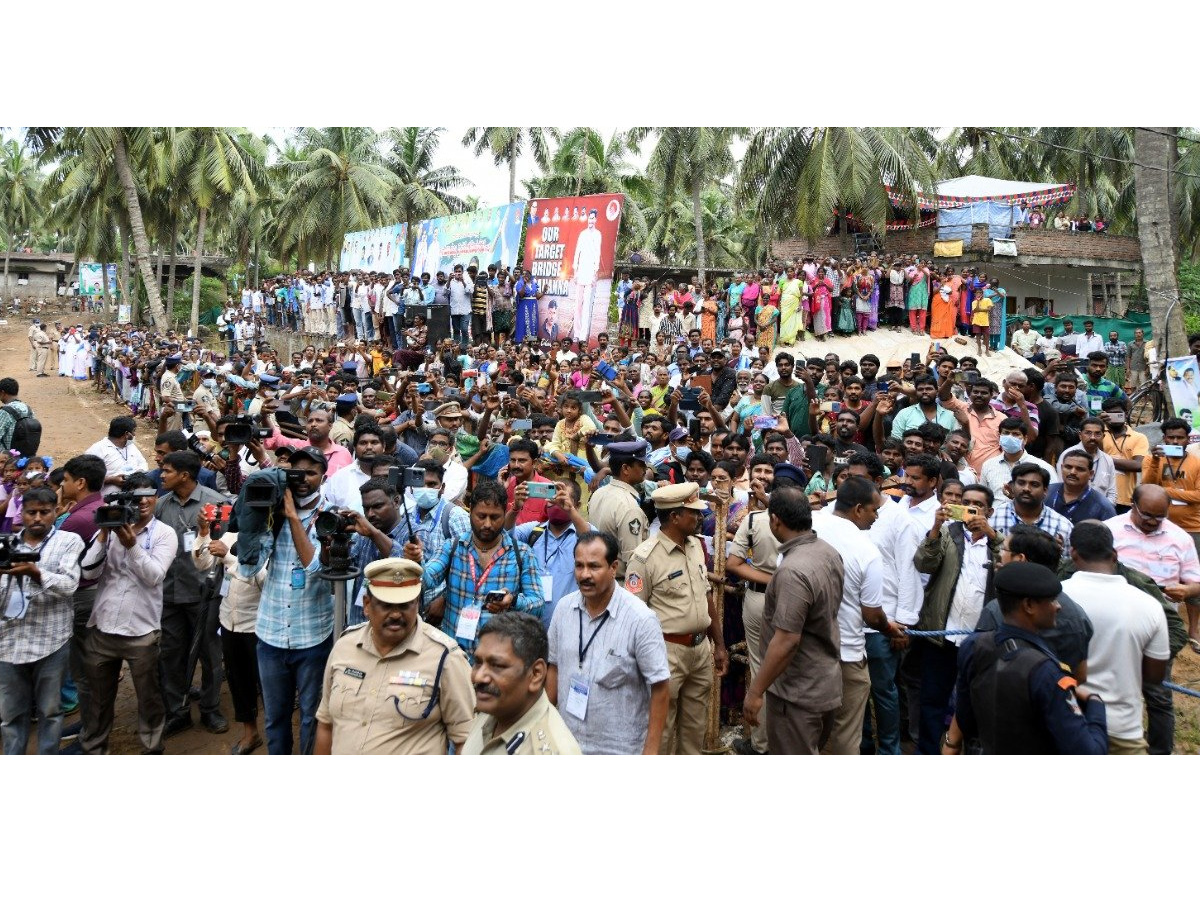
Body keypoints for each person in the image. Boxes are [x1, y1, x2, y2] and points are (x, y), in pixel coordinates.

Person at [314, 557, 474, 755]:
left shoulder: (446, 658)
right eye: (386, 605)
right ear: (366, 605)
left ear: (417, 604)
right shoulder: (344, 646)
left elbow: (466, 741)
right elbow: (326, 724)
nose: (396, 614)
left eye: (405, 605)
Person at [946, 562, 1107, 755]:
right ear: (1029, 605)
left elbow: (966, 719)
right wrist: (1096, 704)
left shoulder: (972, 646)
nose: (1058, 606)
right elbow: (1088, 752)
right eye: (1052, 600)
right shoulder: (1046, 672)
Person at [625, 482, 729, 755]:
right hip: (666, 651)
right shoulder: (644, 558)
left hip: (699, 650)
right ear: (674, 517)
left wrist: (719, 645)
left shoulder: (694, 546)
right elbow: (633, 616)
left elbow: (706, 596)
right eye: (692, 513)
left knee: (695, 728)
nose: (699, 517)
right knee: (663, 730)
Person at [78, 473, 177, 755]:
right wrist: (104, 533)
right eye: (136, 496)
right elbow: (88, 571)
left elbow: (155, 576)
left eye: (149, 494)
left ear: (157, 497)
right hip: (103, 626)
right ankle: (95, 748)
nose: (143, 501)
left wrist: (132, 545)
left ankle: (151, 748)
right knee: (98, 699)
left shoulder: (164, 534)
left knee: (148, 697)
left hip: (141, 631)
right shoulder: (110, 527)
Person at [246, 446, 337, 755]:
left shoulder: (330, 516)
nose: (302, 479)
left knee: (312, 716)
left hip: (312, 635)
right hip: (270, 633)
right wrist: (256, 517)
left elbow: (314, 569)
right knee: (275, 718)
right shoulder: (272, 510)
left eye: (311, 473)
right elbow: (249, 567)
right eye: (296, 473)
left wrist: (292, 517)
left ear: (323, 477)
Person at [545, 532, 670, 754]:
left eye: (594, 567)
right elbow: (553, 666)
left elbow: (660, 686)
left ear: (613, 568)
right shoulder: (564, 609)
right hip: (567, 744)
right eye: (579, 566)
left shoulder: (640, 619)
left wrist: (650, 752)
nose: (584, 575)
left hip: (619, 748)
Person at [742, 487, 844, 754]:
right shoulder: (828, 552)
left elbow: (787, 640)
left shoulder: (793, 571)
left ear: (775, 520)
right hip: (824, 682)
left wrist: (755, 692)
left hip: (797, 694)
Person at [1061, 523, 1169, 754]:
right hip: (1123, 728)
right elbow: (1154, 676)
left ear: (1073, 554)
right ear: (1114, 555)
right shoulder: (1149, 605)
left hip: (1064, 720)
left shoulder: (1055, 597)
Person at [405, 479, 545, 658]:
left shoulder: (523, 554)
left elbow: (538, 604)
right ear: (470, 512)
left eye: (495, 517)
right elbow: (427, 580)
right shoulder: (452, 547)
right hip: (454, 657)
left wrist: (512, 601)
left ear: (505, 514)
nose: (487, 524)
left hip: (500, 657)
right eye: (481, 516)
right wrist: (417, 562)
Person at [1106, 484, 1200, 752]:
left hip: (1161, 621)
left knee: (1158, 693)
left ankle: (1160, 753)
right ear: (1132, 506)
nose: (1152, 522)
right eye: (1146, 514)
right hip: (1116, 617)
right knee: (1113, 687)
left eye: (1160, 517)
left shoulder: (1180, 538)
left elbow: (1196, 583)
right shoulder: (1110, 529)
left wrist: (1186, 590)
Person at [811, 477, 898, 755]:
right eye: (874, 510)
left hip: (805, 649)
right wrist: (889, 628)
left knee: (807, 730)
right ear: (859, 509)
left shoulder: (808, 528)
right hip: (845, 654)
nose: (876, 517)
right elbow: (872, 615)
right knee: (845, 735)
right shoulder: (866, 551)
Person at [912, 483, 1001, 753]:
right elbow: (923, 564)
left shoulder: (1000, 542)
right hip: (942, 634)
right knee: (932, 700)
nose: (971, 509)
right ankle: (927, 752)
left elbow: (1011, 572)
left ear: (989, 511)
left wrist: (992, 536)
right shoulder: (948, 534)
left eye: (978, 505)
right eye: (966, 502)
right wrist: (936, 528)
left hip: (980, 641)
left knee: (976, 702)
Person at [0, 487, 84, 754]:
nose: (37, 518)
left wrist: (36, 573)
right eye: (31, 512)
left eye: (44, 512)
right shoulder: (6, 544)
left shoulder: (69, 541)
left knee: (50, 710)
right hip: (9, 641)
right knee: (12, 713)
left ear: (55, 512)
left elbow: (70, 585)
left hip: (52, 640)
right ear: (21, 514)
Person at [155, 451, 228, 737]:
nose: (161, 475)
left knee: (210, 655)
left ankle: (210, 709)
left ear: (184, 475)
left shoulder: (216, 502)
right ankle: (178, 711)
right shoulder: (161, 506)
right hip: (170, 594)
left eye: (167, 471)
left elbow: (225, 545)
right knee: (170, 655)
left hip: (204, 594)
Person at [193, 507, 265, 754]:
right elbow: (202, 563)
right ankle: (250, 733)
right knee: (238, 681)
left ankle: (279, 735)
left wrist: (230, 558)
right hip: (229, 622)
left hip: (259, 626)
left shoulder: (271, 540)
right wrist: (203, 533)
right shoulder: (231, 537)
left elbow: (264, 579)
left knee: (267, 686)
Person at [463, 611, 580, 755]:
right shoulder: (494, 709)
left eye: (497, 666)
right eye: (478, 663)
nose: (479, 677)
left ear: (536, 674)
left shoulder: (552, 752)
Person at [57, 453, 107, 729]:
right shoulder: (99, 508)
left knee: (85, 665)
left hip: (82, 595)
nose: (62, 486)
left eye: (65, 480)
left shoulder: (76, 520)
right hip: (94, 593)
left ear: (80, 483)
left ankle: (92, 727)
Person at [512, 479, 592, 628]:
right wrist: (515, 508)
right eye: (552, 497)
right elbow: (503, 537)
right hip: (532, 628)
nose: (556, 502)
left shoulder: (583, 531)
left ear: (577, 505)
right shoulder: (534, 531)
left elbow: (593, 543)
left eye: (562, 497)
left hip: (571, 627)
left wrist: (570, 510)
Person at [586, 439, 651, 580]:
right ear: (626, 469)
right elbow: (633, 561)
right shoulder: (629, 506)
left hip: (600, 577)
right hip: (620, 584)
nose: (645, 468)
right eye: (641, 464)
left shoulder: (599, 492)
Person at [988, 463, 1074, 549]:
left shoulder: (1062, 527)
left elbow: (1069, 561)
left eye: (1034, 485)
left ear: (1045, 491)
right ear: (1012, 487)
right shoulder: (995, 517)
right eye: (1021, 483)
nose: (1026, 489)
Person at [1047, 449, 1116, 525]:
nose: (1073, 472)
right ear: (1061, 468)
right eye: (1068, 467)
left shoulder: (1103, 506)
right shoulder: (1046, 492)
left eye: (1080, 469)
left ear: (1091, 474)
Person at [85, 416, 150, 497]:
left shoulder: (131, 446)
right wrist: (111, 480)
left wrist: (138, 474)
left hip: (133, 498)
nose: (134, 434)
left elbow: (142, 463)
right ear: (126, 434)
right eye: (133, 431)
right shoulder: (97, 450)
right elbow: (86, 477)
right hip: (108, 501)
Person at [0, 378, 36, 456]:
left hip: (8, 459)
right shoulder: (28, 409)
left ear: (2, 393)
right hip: (26, 456)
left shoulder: (4, 412)